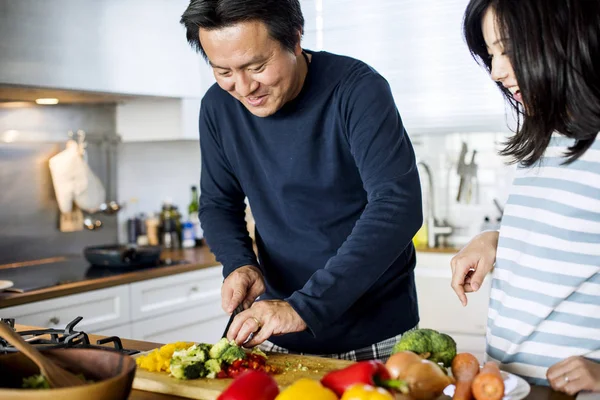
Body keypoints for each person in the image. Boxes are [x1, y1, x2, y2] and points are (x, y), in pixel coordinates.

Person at [179, 0, 422, 361]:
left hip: (376, 336)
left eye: (256, 67)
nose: (244, 87)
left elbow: (397, 206)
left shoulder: (357, 90)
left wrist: (304, 308)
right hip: (277, 331)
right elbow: (218, 203)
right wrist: (239, 263)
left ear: (295, 39)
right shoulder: (217, 107)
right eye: (223, 71)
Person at [452, 0, 600, 394]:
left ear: (565, 36)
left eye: (509, 50)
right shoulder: (548, 140)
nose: (497, 71)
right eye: (492, 54)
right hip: (518, 387)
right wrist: (499, 240)